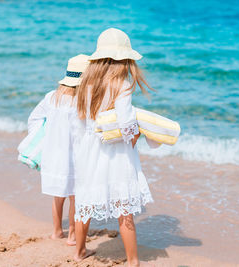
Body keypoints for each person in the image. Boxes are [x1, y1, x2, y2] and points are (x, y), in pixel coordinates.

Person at [73, 28, 154, 267]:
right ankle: (133, 260)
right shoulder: (122, 85)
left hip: (89, 149)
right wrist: (138, 133)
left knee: (85, 203)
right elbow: (127, 125)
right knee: (123, 207)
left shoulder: (86, 83)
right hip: (115, 152)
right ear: (124, 59)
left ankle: (79, 252)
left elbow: (83, 119)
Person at [27, 54, 90, 246]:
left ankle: (57, 231)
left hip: (53, 154)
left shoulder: (52, 97)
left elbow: (34, 119)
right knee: (75, 196)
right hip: (76, 155)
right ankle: (72, 234)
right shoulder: (84, 101)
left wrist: (44, 139)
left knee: (58, 194)